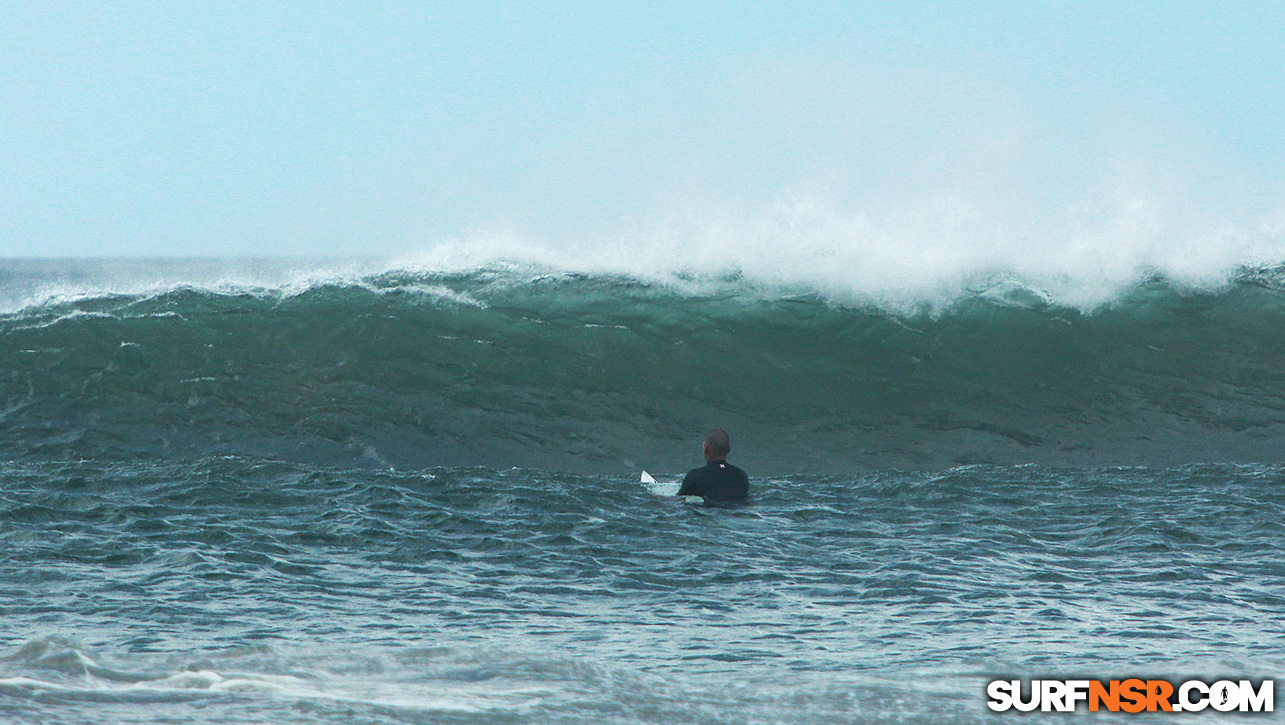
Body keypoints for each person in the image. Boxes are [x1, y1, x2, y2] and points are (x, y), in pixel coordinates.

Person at [677, 429, 749, 505]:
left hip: (708, 513)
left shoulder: (695, 475)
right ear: (729, 449)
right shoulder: (741, 475)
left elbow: (678, 501)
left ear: (706, 449)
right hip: (735, 513)